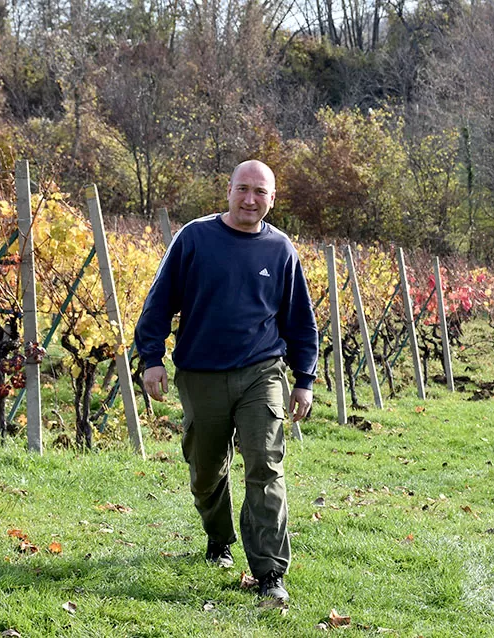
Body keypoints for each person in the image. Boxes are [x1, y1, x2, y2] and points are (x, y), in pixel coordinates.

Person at [134, 159, 318, 604]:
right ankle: (218, 538)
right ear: (229, 190)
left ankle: (270, 574)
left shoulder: (281, 249)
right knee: (205, 470)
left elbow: (299, 320)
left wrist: (304, 378)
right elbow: (159, 302)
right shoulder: (195, 238)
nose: (250, 199)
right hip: (201, 374)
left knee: (265, 466)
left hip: (262, 371)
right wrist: (152, 359)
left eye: (260, 192)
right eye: (243, 189)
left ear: (272, 199)